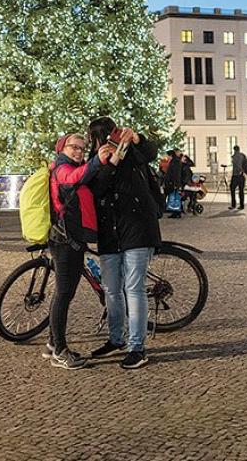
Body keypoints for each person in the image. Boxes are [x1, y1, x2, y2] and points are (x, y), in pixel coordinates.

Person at [87, 117, 159, 370]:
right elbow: (96, 189)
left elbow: (150, 153)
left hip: (136, 228)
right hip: (109, 232)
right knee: (111, 289)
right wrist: (108, 162)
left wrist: (136, 139)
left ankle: (137, 347)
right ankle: (116, 339)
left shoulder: (132, 153)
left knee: (133, 288)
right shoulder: (95, 160)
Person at [45, 133, 113, 370]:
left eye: (82, 149)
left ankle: (52, 343)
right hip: (65, 242)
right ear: (62, 148)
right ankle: (59, 351)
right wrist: (96, 161)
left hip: (73, 240)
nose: (78, 152)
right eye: (74, 147)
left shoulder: (75, 166)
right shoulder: (62, 168)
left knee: (65, 293)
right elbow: (73, 178)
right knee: (64, 294)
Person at [164, 149, 185, 218]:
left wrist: (174, 182)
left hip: (174, 182)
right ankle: (175, 212)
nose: (167, 157)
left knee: (175, 197)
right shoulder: (175, 161)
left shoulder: (175, 162)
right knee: (174, 197)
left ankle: (177, 212)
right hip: (175, 182)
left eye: (168, 155)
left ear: (171, 155)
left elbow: (175, 173)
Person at [229, 145, 247, 210]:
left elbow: (237, 165)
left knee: (232, 189)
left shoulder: (234, 156)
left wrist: (239, 169)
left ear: (234, 150)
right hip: (242, 176)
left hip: (236, 175)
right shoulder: (243, 155)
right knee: (241, 191)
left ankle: (233, 205)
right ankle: (242, 205)